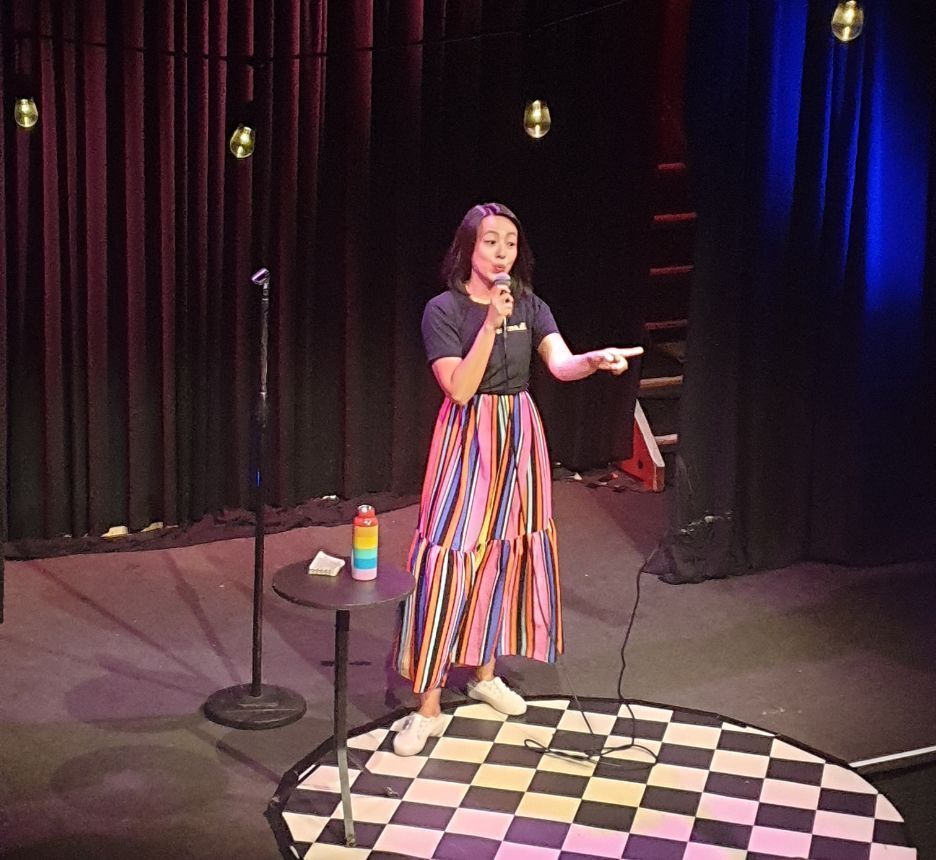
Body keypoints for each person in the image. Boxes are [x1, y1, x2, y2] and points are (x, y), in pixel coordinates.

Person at [392, 202, 642, 756]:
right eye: (489, 242)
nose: (501, 251)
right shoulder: (444, 309)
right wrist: (490, 324)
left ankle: (483, 673)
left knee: (505, 553)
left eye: (509, 241)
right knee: (452, 558)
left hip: (519, 433)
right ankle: (427, 703)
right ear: (467, 249)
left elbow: (558, 363)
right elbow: (458, 388)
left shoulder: (530, 302)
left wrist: (593, 360)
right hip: (467, 435)